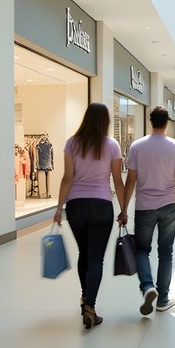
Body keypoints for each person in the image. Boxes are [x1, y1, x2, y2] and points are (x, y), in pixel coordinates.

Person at [53, 103, 126, 330]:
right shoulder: (112, 145)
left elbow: (67, 178)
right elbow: (117, 179)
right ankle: (90, 307)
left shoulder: (72, 143)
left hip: (76, 206)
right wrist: (124, 209)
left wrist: (58, 208)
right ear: (105, 121)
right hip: (102, 205)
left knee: (84, 253)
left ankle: (85, 298)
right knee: (96, 258)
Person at [123, 106, 175, 315]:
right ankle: (162, 299)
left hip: (144, 206)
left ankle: (147, 286)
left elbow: (131, 179)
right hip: (169, 206)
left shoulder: (137, 146)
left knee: (142, 249)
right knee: (166, 252)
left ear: (150, 121)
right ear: (167, 122)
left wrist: (124, 208)